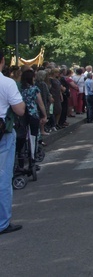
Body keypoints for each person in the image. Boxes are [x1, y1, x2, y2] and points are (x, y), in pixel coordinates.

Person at [0, 49, 26, 235]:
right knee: (2, 179)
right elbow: (19, 110)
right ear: (2, 61)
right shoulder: (7, 83)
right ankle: (2, 222)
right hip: (2, 133)